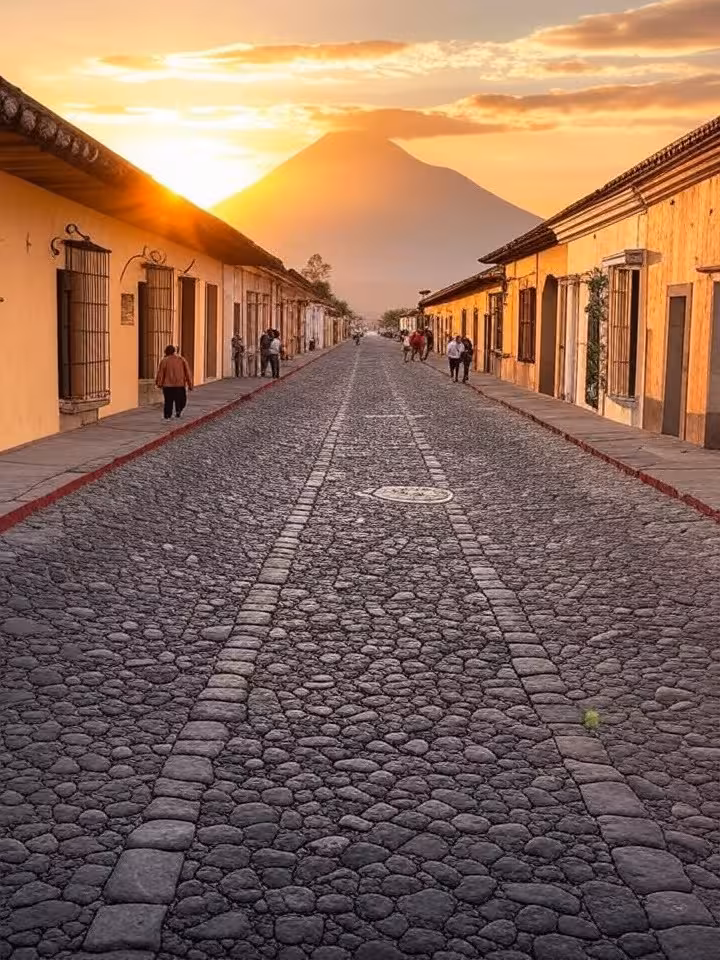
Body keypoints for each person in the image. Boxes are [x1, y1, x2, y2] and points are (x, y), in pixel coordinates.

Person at [156, 345, 193, 419]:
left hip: (167, 385)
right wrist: (190, 384)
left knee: (168, 401)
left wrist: (159, 383)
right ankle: (178, 411)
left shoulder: (164, 360)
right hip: (179, 385)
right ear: (174, 351)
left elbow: (160, 373)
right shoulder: (181, 359)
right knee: (181, 400)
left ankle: (167, 415)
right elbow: (187, 373)